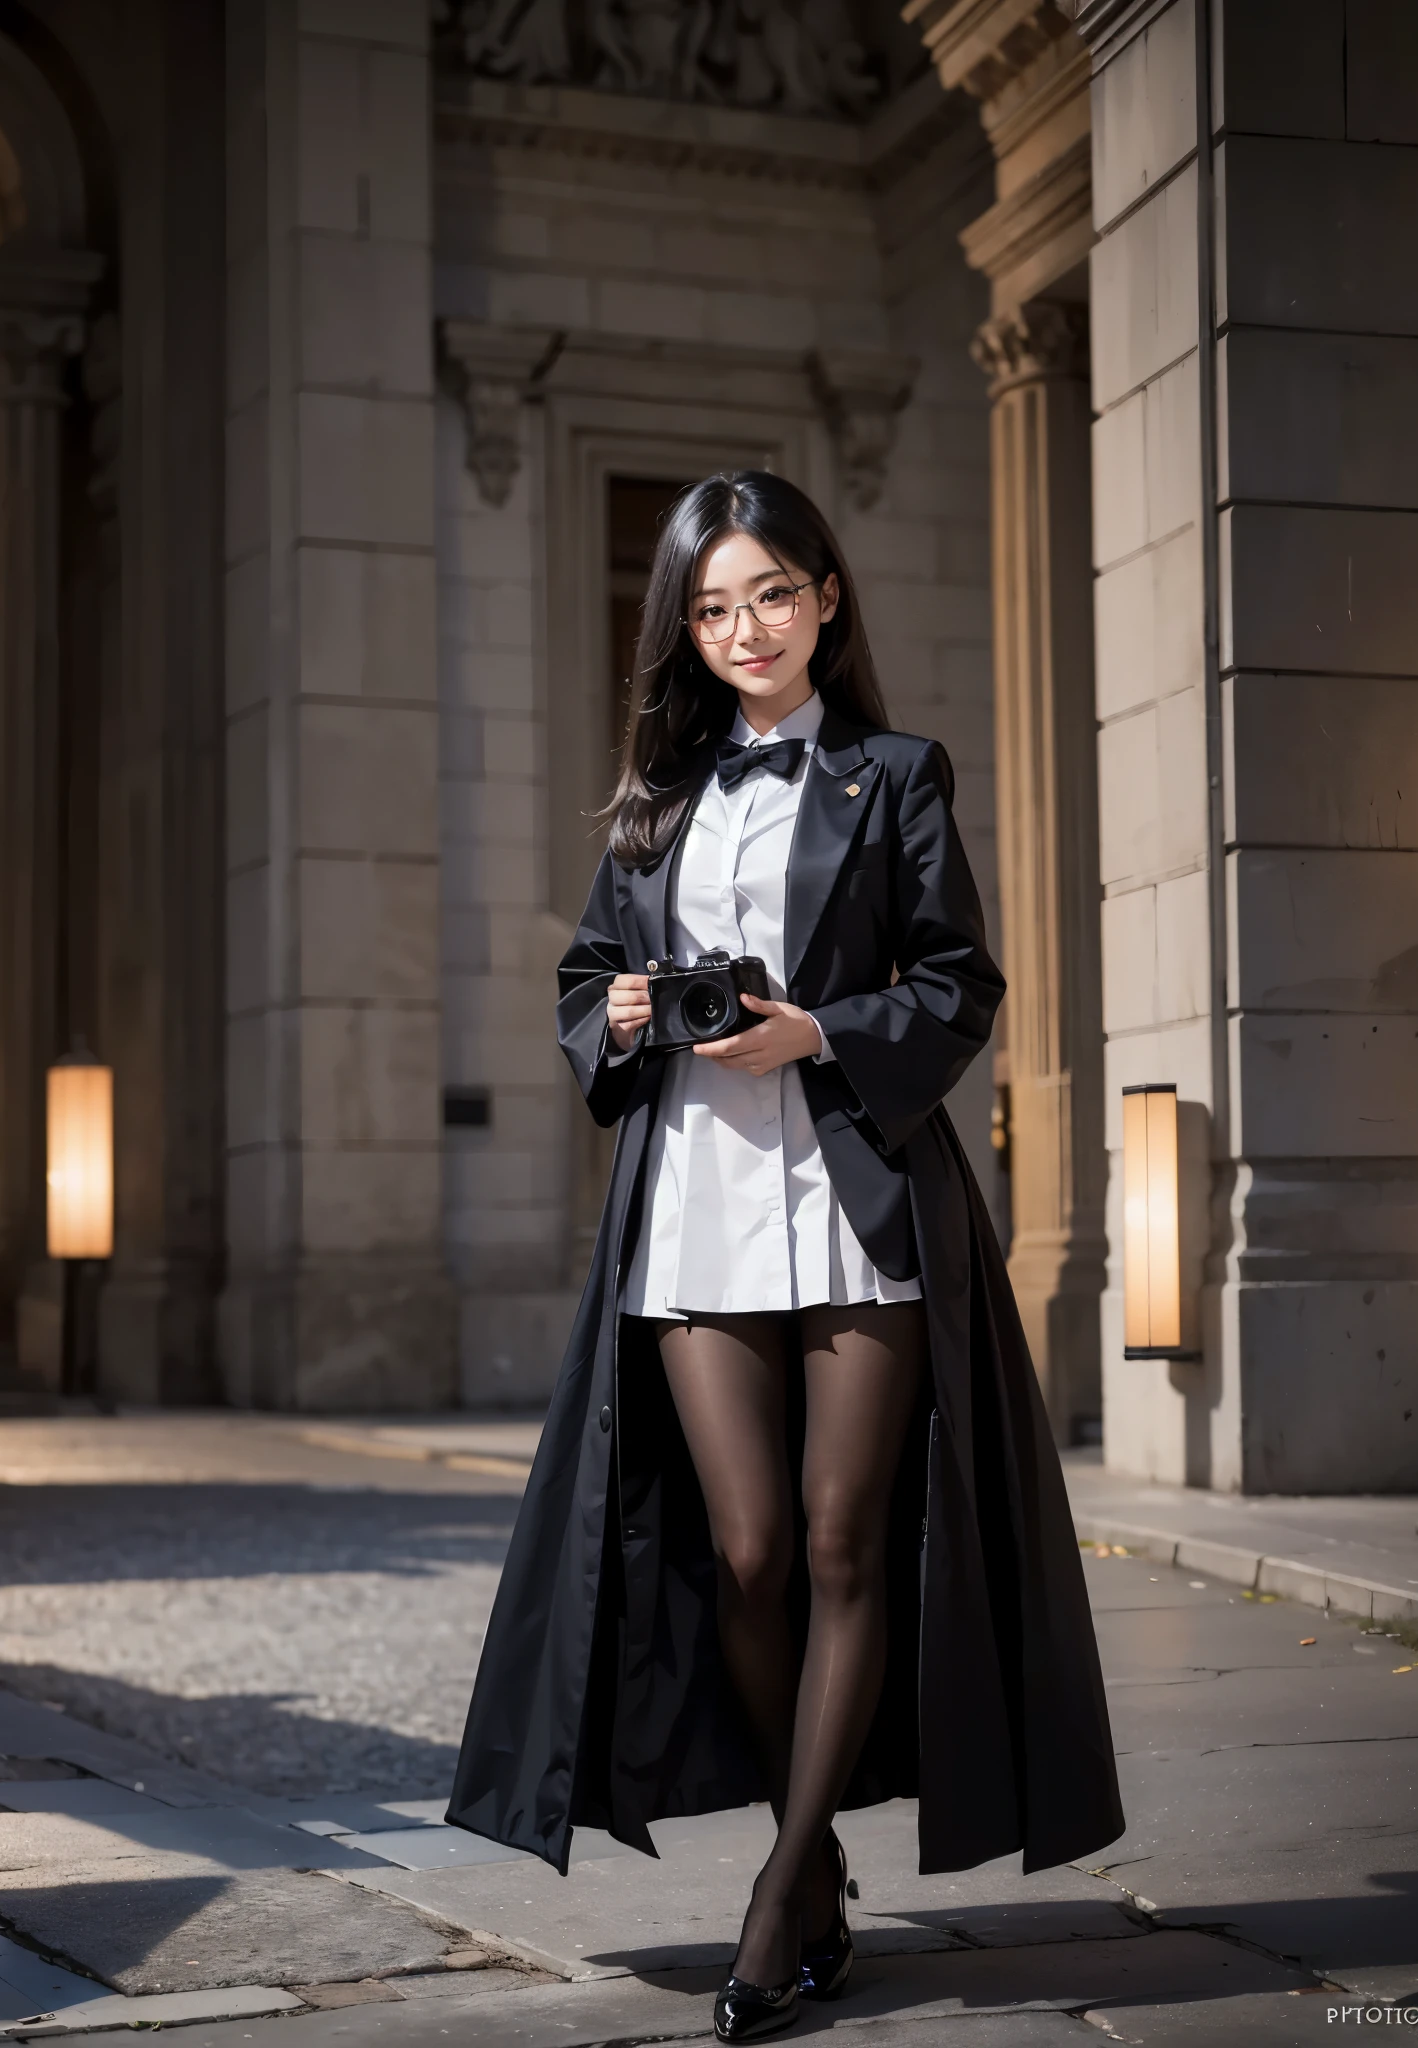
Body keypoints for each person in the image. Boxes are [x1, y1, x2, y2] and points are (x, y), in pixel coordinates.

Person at [447, 471, 1123, 2041]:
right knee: (745, 1552)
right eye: (712, 605)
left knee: (840, 1547)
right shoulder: (654, 799)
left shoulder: (896, 774)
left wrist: (823, 1029)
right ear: (686, 627)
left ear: (826, 599)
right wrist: (614, 1015)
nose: (744, 627)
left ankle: (783, 1887)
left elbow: (960, 983)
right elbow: (586, 982)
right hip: (691, 1199)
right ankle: (810, 1870)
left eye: (769, 594)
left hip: (856, 1192)